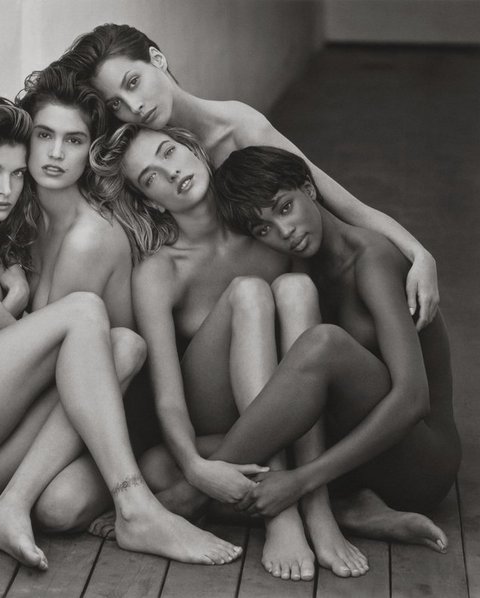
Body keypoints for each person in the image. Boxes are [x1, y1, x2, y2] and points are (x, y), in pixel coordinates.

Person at [0, 96, 243, 571]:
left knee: (125, 347)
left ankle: (10, 507)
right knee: (84, 312)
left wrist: (2, 309)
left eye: (16, 174)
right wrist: (0, 307)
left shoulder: (1, 231)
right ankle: (136, 507)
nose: (6, 189)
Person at [89, 123, 369, 581]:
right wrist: (194, 468)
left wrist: (417, 255)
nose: (171, 172)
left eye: (169, 152)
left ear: (194, 149)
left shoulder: (262, 227)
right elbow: (168, 397)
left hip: (293, 412)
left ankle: (318, 509)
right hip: (217, 417)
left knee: (297, 288)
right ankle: (280, 515)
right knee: (248, 293)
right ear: (151, 201)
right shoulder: (160, 270)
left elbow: (305, 354)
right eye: (151, 177)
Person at [58, 23, 439, 330]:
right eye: (117, 103)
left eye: (133, 82)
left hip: (299, 287)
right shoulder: (141, 159)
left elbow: (339, 201)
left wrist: (419, 254)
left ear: (156, 59)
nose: (134, 106)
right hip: (221, 312)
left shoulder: (240, 129)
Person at [210, 145, 460, 550]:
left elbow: (413, 399)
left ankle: (192, 497)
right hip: (358, 460)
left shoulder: (372, 259)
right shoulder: (300, 272)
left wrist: (301, 480)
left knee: (325, 344)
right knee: (163, 462)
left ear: (309, 189)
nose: (284, 231)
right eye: (263, 229)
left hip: (421, 463)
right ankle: (351, 509)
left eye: (285, 207)